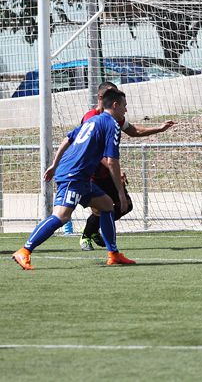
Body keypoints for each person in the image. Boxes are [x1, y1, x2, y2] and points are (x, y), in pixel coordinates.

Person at [11, 89, 136, 270]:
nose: (126, 110)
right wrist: (121, 193)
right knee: (61, 216)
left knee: (107, 205)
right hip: (73, 176)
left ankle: (114, 254)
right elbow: (112, 161)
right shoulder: (112, 124)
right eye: (124, 106)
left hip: (80, 177)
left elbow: (67, 139)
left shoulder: (92, 121)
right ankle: (24, 251)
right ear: (115, 105)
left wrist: (55, 165)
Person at [78, 81, 176, 251]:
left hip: (108, 172)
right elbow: (94, 151)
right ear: (102, 97)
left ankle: (93, 230)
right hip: (91, 174)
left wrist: (159, 129)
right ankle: (86, 236)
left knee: (126, 205)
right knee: (75, 213)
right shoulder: (91, 118)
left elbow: (134, 131)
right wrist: (113, 166)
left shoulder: (116, 119)